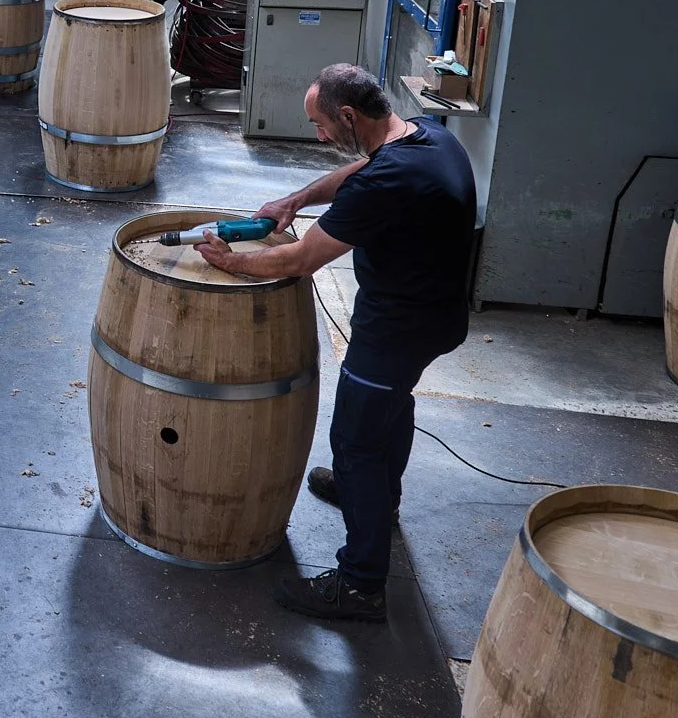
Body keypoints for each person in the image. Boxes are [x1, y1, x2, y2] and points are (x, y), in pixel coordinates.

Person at [196, 63, 476, 623]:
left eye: (321, 124)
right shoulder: (427, 136)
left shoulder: (387, 180)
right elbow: (360, 171)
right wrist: (295, 200)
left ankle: (361, 584)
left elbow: (302, 259)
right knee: (390, 412)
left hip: (397, 330)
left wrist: (236, 262)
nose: (319, 135)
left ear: (348, 116)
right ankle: (371, 499)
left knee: (356, 440)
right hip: (437, 318)